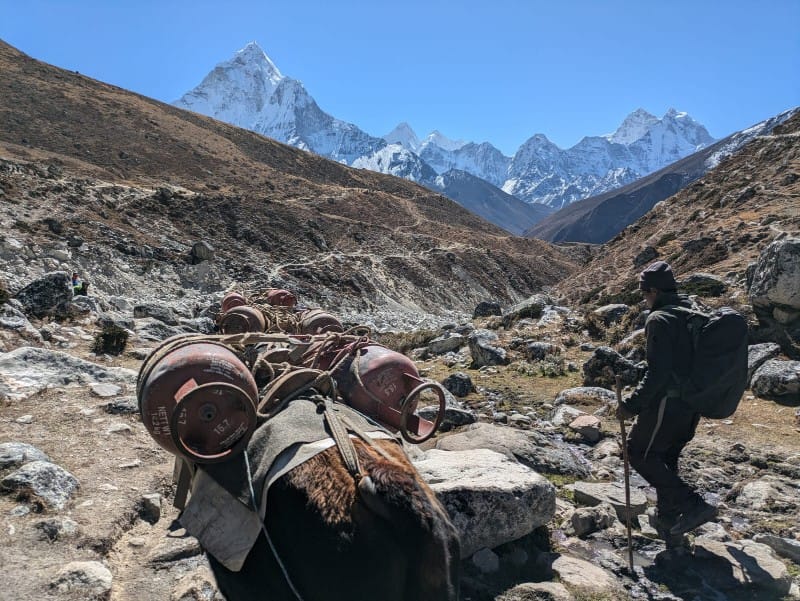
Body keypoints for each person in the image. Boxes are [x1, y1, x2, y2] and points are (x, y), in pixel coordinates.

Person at [616, 261, 718, 547]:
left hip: (667, 404)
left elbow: (658, 372)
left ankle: (694, 504)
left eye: (645, 293)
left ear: (655, 291)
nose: (644, 299)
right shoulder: (691, 313)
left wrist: (632, 405)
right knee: (666, 457)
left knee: (637, 452)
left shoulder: (660, 319)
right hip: (691, 404)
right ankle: (669, 519)